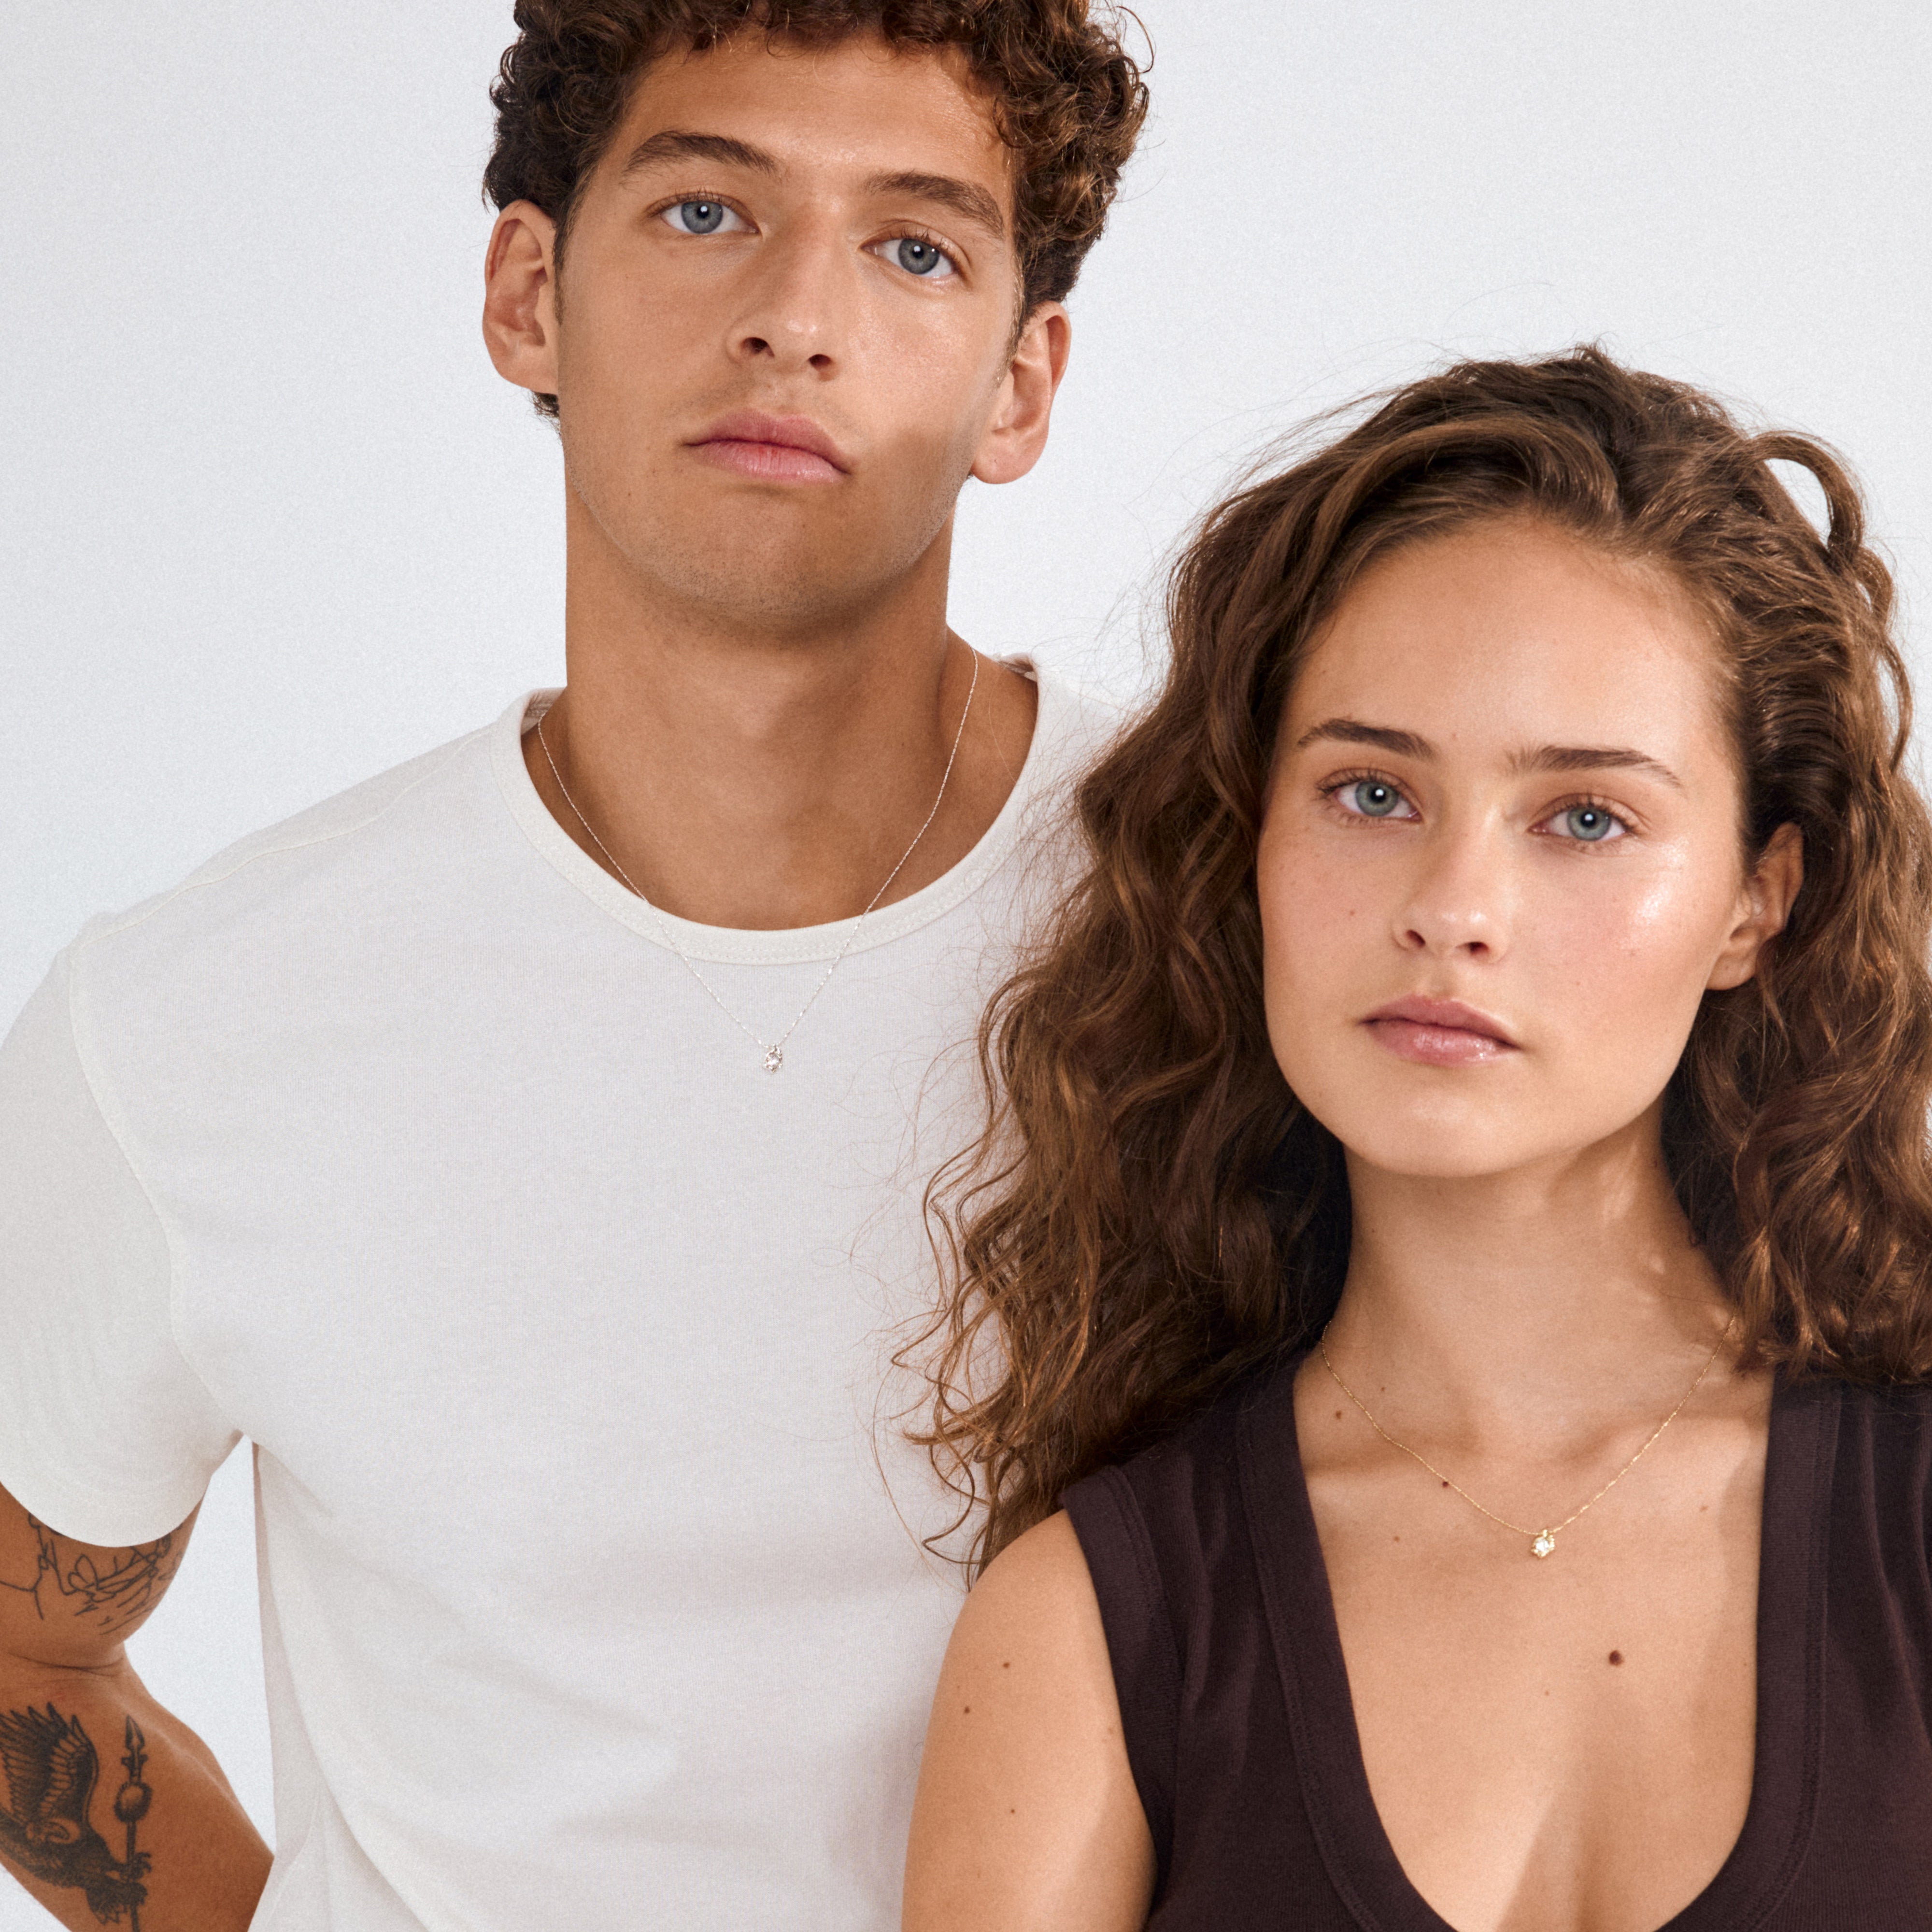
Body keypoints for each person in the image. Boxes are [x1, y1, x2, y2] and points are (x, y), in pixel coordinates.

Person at [0, 2, 1146, 1926]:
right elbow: (22, 1645)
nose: (799, 313)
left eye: (916, 246)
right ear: (529, 289)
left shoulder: (1234, 911)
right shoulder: (198, 1018)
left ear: (1021, 384)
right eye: (707, 213)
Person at [902, 346, 1932, 1931]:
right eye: (1372, 792)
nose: (1452, 910)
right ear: (1247, 838)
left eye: (1585, 817)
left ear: (1758, 898)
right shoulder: (1095, 1634)